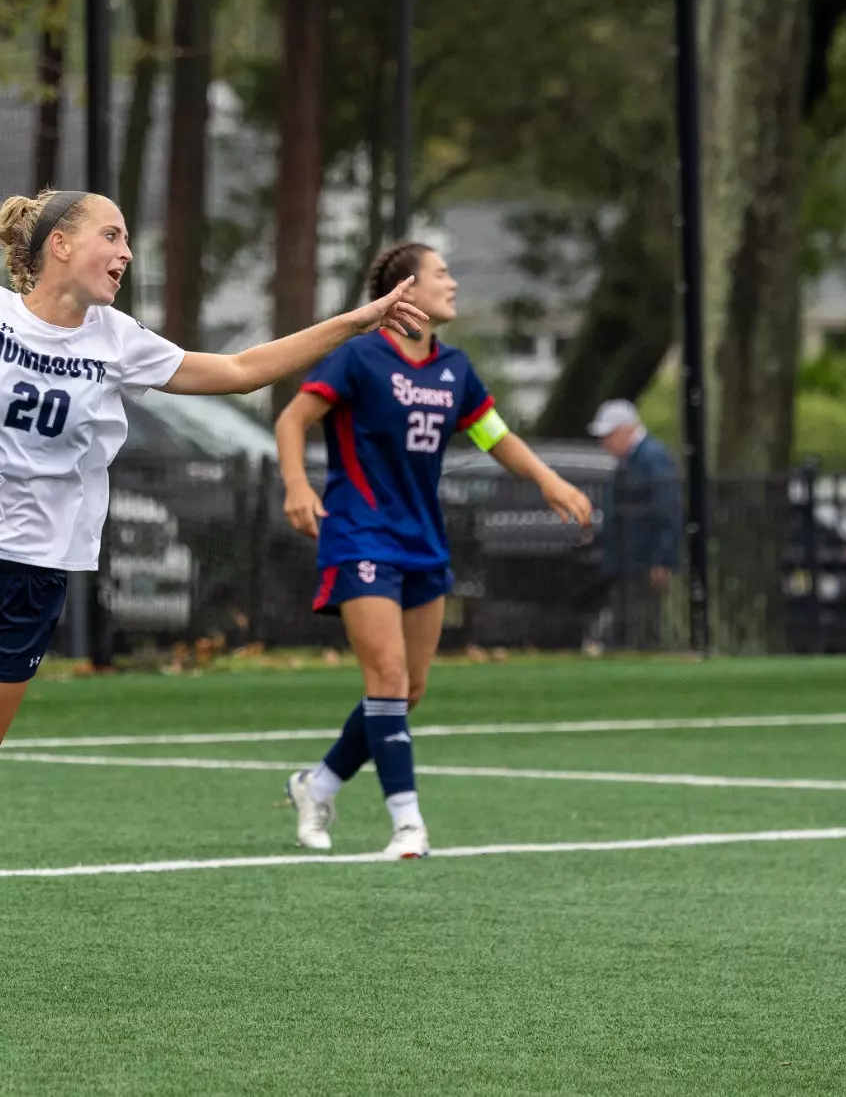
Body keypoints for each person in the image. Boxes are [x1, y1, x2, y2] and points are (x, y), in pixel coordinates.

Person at [0, 189, 430, 1000]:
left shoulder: (119, 342)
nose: (125, 252)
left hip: (28, 586)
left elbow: (242, 369)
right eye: (112, 235)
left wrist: (354, 321)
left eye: (128, 239)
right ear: (60, 243)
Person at [274, 241, 592, 858]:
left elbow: (495, 437)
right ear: (407, 291)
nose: (453, 283)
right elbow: (292, 420)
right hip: (360, 534)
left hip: (423, 543)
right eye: (442, 274)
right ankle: (408, 824)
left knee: (407, 691)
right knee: (387, 679)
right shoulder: (361, 357)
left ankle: (318, 785)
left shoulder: (455, 369)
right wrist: (295, 485)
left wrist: (549, 479)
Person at [586, 398, 680, 652]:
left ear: (627, 430)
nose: (604, 442)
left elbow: (668, 509)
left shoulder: (652, 458)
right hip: (628, 559)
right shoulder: (630, 460)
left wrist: (662, 559)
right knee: (626, 621)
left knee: (642, 624)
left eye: (609, 435)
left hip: (643, 559)